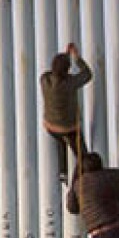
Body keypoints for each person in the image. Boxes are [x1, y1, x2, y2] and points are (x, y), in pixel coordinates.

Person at [41, 42, 92, 183]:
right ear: (68, 71)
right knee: (82, 156)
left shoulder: (44, 80)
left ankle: (63, 172)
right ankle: (79, 179)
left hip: (50, 126)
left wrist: (66, 56)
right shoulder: (71, 83)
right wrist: (76, 57)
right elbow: (87, 74)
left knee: (60, 140)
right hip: (69, 128)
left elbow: (57, 72)